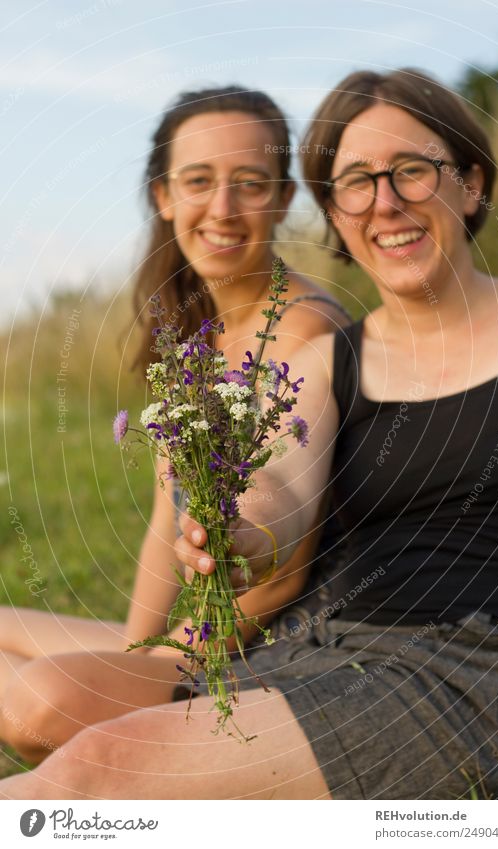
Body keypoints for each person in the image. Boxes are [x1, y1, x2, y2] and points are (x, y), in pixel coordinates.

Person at [2, 66, 498, 802]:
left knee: (89, 777)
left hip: (478, 666)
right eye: (354, 182)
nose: (384, 201)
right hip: (322, 646)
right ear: (334, 213)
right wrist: (244, 526)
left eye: (411, 170)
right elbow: (279, 479)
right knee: (62, 743)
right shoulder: (327, 362)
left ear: (471, 183)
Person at [0, 85, 350, 763]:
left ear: (281, 199)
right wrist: (131, 653)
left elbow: (277, 573)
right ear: (163, 196)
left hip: (280, 644)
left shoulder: (306, 334)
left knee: (30, 700)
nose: (221, 208)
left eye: (249, 183)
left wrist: (157, 666)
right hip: (200, 635)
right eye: (198, 181)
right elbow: (171, 514)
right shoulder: (198, 335)